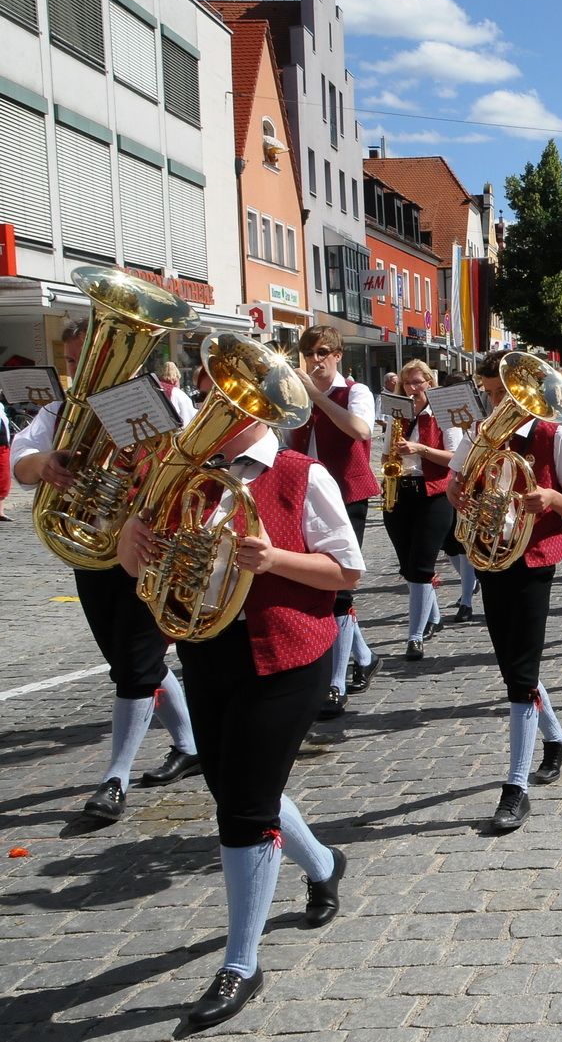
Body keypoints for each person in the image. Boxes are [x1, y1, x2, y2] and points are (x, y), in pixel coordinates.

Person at [117, 398, 363, 1028]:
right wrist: (130, 543)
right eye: (209, 401)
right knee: (235, 787)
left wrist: (273, 559)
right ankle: (325, 863)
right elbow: (142, 566)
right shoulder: (186, 473)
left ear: (260, 412)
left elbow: (349, 570)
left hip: (289, 654)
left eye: (231, 404)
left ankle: (241, 963)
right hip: (209, 649)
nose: (212, 413)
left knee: (243, 807)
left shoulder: (301, 472)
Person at [12, 319, 202, 822]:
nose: (81, 372)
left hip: (149, 545)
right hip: (91, 549)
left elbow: (192, 462)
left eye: (88, 360)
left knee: (137, 666)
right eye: (75, 362)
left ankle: (114, 779)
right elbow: (22, 458)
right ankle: (189, 746)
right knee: (130, 662)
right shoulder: (63, 411)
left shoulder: (168, 400)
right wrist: (46, 464)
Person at [450, 351, 562, 833]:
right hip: (490, 554)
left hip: (533, 558)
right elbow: (453, 487)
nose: (494, 402)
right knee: (512, 663)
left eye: (500, 393)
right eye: (490, 393)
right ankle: (556, 738)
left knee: (520, 671)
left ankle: (515, 786)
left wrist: (550, 498)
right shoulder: (478, 435)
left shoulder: (557, 435)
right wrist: (461, 494)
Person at [288, 327, 380, 691]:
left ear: (338, 354)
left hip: (346, 495)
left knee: (341, 586)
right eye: (308, 352)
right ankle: (364, 657)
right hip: (302, 497)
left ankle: (336, 684)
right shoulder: (297, 393)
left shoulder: (355, 391)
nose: (315, 359)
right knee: (316, 586)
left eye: (323, 351)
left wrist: (315, 396)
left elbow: (360, 430)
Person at [369, 360, 463, 716]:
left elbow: (457, 456)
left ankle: (415, 635)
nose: (412, 388)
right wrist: (386, 467)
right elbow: (383, 450)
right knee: (408, 565)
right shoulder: (397, 413)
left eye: (418, 382)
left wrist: (420, 450)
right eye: (407, 383)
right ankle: (433, 616)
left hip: (434, 493)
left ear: (430, 382)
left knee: (421, 567)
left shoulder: (442, 413)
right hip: (399, 490)